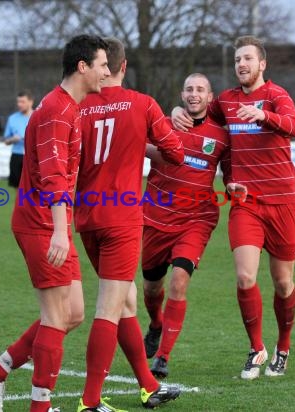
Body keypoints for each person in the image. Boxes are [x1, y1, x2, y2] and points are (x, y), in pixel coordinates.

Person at [0, 35, 110, 412]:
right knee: (55, 317)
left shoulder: (69, 106)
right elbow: (53, 178)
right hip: (41, 223)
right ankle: (40, 407)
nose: (107, 71)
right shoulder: (55, 111)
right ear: (83, 67)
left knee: (74, 314)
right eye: (102, 64)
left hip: (50, 222)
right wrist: (61, 231)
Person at [172, 35, 295, 380]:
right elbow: (202, 113)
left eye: (247, 59)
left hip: (284, 201)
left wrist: (264, 116)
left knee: (282, 283)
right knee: (245, 276)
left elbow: (294, 126)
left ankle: (283, 347)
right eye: (237, 60)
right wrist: (177, 111)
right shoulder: (227, 101)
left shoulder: (276, 96)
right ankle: (256, 348)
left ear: (262, 64)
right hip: (245, 203)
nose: (241, 64)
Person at [74, 37, 183, 412]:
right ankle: (90, 401)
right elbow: (176, 154)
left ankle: (149, 386)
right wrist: (143, 146)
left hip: (86, 215)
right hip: (121, 218)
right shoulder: (142, 103)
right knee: (109, 307)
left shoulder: (78, 106)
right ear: (124, 66)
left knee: (126, 303)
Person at [141, 73, 231, 379]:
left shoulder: (220, 135)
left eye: (200, 90)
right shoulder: (163, 125)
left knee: (179, 281)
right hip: (156, 216)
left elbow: (230, 173)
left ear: (210, 97)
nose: (194, 94)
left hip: (197, 218)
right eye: (190, 89)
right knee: (152, 288)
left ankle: (163, 357)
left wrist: (236, 187)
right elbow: (140, 143)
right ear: (182, 95)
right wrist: (161, 151)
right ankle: (155, 324)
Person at [3, 90, 34, 188]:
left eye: (22, 102)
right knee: (17, 187)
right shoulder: (12, 118)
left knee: (34, 187)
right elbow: (6, 141)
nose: (19, 104)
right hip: (17, 156)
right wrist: (13, 139)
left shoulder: (38, 116)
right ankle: (19, 204)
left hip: (33, 156)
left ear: (30, 102)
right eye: (18, 102)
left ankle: (32, 203)